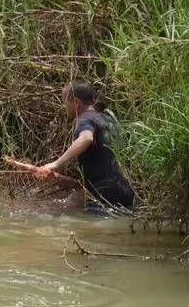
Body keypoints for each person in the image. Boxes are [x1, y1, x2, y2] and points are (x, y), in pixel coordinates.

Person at [36, 81, 134, 213]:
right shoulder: (107, 120)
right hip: (126, 190)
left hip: (105, 193)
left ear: (76, 102)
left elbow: (86, 138)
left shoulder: (84, 119)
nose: (65, 107)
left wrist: (56, 163)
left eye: (66, 103)